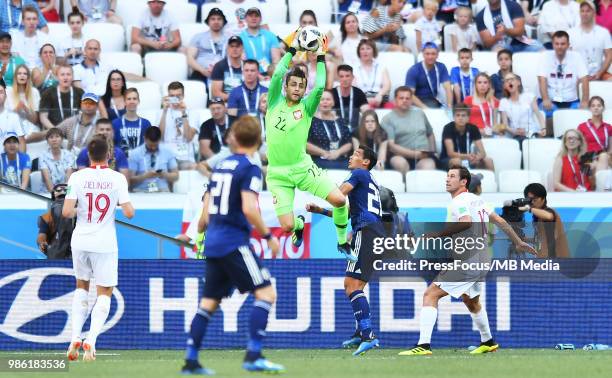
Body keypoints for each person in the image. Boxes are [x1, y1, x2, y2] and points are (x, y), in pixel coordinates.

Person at [181, 116, 284, 375]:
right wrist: (268, 236)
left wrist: (200, 233)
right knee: (266, 293)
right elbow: (249, 208)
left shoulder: (222, 165)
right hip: (233, 242)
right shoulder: (250, 168)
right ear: (258, 141)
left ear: (234, 138)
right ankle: (254, 355)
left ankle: (191, 361)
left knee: (208, 303)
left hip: (214, 241)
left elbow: (205, 214)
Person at [398, 166, 535, 356]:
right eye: (447, 176)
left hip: (468, 259)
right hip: (482, 258)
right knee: (471, 300)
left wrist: (438, 235)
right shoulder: (478, 200)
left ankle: (423, 345)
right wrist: (518, 242)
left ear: (464, 182)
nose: (447, 179)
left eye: (452, 176)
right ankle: (488, 341)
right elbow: (500, 221)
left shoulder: (459, 201)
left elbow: (466, 221)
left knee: (430, 294)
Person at [266, 29, 353, 261]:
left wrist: (322, 56)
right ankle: (298, 224)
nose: (296, 88)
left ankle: (343, 241)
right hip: (277, 175)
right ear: (286, 87)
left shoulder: (306, 108)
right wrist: (292, 50)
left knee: (339, 200)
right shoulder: (274, 102)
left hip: (303, 168)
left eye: (300, 85)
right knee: (285, 226)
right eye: (292, 84)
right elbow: (276, 76)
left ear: (304, 89)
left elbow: (321, 85)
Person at [305, 145, 383, 356]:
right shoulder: (369, 179)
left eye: (357, 154)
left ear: (366, 162)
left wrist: (315, 183)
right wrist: (320, 210)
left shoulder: (358, 173)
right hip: (376, 232)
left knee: (350, 285)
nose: (351, 156)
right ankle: (362, 333)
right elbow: (345, 213)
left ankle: (368, 335)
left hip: (365, 232)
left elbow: (339, 194)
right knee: (357, 285)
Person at [63, 135, 134, 362]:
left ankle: (75, 336)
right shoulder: (117, 179)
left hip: (81, 240)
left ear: (88, 155)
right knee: (105, 292)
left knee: (81, 287)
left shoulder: (77, 177)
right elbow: (130, 212)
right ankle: (91, 341)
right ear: (110, 155)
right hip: (104, 242)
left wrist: (81, 209)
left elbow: (65, 212)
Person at [538, 31, 589, 134]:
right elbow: (541, 79)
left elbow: (585, 79)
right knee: (547, 114)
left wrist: (584, 101)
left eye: (562, 44)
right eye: (556, 44)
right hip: (551, 99)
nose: (559, 47)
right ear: (552, 44)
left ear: (568, 45)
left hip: (571, 100)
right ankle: (550, 138)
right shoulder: (545, 56)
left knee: (580, 119)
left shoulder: (576, 57)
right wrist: (546, 98)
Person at [382, 86, 437, 174]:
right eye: (401, 98)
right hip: (399, 156)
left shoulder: (420, 113)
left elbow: (430, 133)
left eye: (407, 98)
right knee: (400, 164)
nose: (404, 100)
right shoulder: (388, 119)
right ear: (395, 100)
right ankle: (405, 187)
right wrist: (415, 154)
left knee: (429, 166)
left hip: (423, 156)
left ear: (411, 100)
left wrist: (433, 152)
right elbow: (391, 146)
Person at [29, 92, 100, 153]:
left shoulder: (101, 124)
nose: (88, 105)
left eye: (92, 103)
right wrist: (24, 140)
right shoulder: (72, 121)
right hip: (71, 161)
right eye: (85, 103)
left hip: (92, 160)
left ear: (97, 106)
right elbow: (50, 132)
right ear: (81, 105)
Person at [440, 103, 494, 170]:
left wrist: (476, 157)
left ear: (468, 117)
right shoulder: (448, 128)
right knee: (457, 161)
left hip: (468, 159)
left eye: (463, 116)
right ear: (453, 117)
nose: (460, 118)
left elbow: (483, 152)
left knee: (488, 161)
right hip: (449, 160)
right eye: (458, 115)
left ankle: (491, 180)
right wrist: (467, 156)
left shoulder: (473, 128)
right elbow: (450, 153)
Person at [520, 182, 568, 258]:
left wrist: (529, 209)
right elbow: (541, 239)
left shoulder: (549, 211)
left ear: (543, 198)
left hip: (554, 259)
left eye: (534, 199)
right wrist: (523, 240)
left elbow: (549, 216)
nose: (531, 202)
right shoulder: (537, 216)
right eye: (529, 200)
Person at [307, 90, 353, 169]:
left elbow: (349, 143)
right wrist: (324, 153)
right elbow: (305, 144)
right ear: (318, 102)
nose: (325, 102)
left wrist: (338, 153)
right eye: (322, 99)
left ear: (333, 102)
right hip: (319, 159)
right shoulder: (311, 121)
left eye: (328, 99)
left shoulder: (341, 121)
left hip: (340, 158)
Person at [475, 0, 544, 52]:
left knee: (541, 49)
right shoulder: (481, 16)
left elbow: (520, 31)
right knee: (499, 52)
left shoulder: (513, 6)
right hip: (500, 45)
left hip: (522, 42)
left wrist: (506, 30)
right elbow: (487, 43)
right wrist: (497, 36)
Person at [568, 0, 612, 81]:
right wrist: (579, 75)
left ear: (594, 13)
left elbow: (609, 55)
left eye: (588, 11)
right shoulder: (571, 33)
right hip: (577, 76)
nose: (585, 13)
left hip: (599, 75)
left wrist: (600, 73)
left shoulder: (604, 33)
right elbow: (567, 57)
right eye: (582, 11)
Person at [499, 73, 546, 145]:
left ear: (518, 82)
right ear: (505, 86)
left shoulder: (529, 96)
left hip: (532, 133)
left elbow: (538, 115)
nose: (509, 82)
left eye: (512, 79)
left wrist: (543, 128)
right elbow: (505, 125)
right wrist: (514, 131)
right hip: (517, 136)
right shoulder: (503, 102)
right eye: (507, 81)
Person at [159, 81, 198, 170]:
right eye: (172, 96)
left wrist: (183, 113)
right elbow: (160, 137)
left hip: (186, 159)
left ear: (183, 96)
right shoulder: (161, 113)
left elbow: (188, 138)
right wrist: (164, 111)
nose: (175, 99)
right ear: (168, 96)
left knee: (196, 168)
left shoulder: (193, 113)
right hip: (167, 159)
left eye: (178, 96)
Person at [186, 7, 230, 85]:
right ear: (208, 22)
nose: (216, 21)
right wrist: (203, 70)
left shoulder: (230, 39)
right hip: (201, 72)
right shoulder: (198, 37)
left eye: (219, 19)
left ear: (223, 22)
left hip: (224, 74)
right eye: (213, 19)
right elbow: (190, 59)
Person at [128, 126, 178, 193]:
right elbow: (129, 180)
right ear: (144, 139)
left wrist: (165, 175)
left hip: (162, 191)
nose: (153, 148)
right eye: (150, 145)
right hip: (141, 191)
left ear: (159, 140)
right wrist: (144, 176)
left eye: (155, 145)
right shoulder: (135, 153)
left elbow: (176, 176)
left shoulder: (167, 152)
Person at [405, 42, 452, 109]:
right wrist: (425, 108)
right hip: (417, 102)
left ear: (437, 55)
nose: (430, 57)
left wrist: (449, 105)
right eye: (427, 54)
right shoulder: (414, 70)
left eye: (433, 54)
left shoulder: (441, 67)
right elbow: (409, 94)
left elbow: (448, 87)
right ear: (423, 55)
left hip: (434, 100)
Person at [39, 64, 84, 129]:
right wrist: (55, 130)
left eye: (68, 74)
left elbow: (86, 114)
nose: (65, 77)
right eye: (62, 75)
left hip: (75, 131)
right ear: (57, 77)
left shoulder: (80, 92)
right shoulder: (48, 93)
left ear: (73, 77)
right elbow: (43, 117)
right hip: (54, 132)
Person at [239, 7, 280, 76]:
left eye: (256, 16)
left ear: (261, 19)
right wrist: (257, 76)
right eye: (250, 16)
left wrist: (272, 75)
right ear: (245, 19)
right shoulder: (240, 37)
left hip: (268, 74)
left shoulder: (271, 36)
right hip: (248, 74)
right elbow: (242, 61)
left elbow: (276, 60)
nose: (253, 18)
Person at [36, 183, 74, 259]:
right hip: (57, 252)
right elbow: (41, 235)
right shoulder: (46, 217)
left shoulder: (79, 213)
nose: (62, 202)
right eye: (59, 199)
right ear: (54, 197)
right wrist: (42, 242)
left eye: (65, 198)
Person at [9, 5, 51, 69]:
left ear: (38, 21)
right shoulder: (15, 38)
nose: (31, 22)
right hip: (21, 73)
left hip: (41, 73)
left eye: (34, 19)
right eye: (28, 19)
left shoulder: (45, 38)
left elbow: (49, 62)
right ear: (23, 22)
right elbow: (15, 60)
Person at [353, 39, 391, 109]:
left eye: (368, 48)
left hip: (379, 99)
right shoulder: (354, 68)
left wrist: (379, 95)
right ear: (359, 52)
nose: (365, 51)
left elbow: (387, 85)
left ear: (373, 51)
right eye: (362, 49)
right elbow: (353, 88)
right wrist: (366, 100)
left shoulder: (381, 67)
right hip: (361, 100)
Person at [111, 88, 152, 154]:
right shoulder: (115, 123)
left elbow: (150, 146)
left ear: (138, 101)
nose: (132, 101)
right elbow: (111, 146)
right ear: (124, 102)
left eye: (134, 99)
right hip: (122, 162)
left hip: (140, 162)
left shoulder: (146, 124)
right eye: (129, 99)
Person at [577, 96, 611, 173]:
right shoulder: (582, 127)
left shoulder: (608, 127)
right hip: (587, 159)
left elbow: (610, 149)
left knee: (603, 157)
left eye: (599, 105)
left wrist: (602, 158)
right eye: (593, 106)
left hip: (605, 157)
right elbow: (579, 149)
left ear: (603, 108)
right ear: (590, 108)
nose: (596, 108)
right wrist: (593, 160)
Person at [198, 97, 236, 162]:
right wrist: (218, 162)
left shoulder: (236, 122)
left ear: (225, 108)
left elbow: (244, 143)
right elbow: (204, 149)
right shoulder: (206, 125)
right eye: (213, 109)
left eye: (218, 108)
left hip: (234, 158)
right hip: (213, 160)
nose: (216, 111)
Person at [333, 64, 369, 131]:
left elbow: (367, 112)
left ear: (352, 77)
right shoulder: (332, 93)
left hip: (355, 130)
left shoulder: (359, 93)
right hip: (336, 130)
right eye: (341, 76)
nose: (344, 79)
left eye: (347, 76)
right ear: (338, 78)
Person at [39, 127, 74, 193]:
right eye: (51, 137)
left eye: (57, 136)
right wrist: (55, 194)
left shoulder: (69, 155)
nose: (54, 140)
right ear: (47, 141)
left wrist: (64, 194)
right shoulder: (43, 156)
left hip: (65, 193)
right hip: (47, 194)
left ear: (62, 139)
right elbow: (48, 181)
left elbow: (69, 180)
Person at [463, 73, 499, 137]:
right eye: (479, 82)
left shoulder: (494, 101)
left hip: (489, 135)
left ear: (489, 85)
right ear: (475, 85)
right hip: (473, 134)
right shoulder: (468, 100)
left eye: (485, 82)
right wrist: (479, 131)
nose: (482, 85)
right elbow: (465, 122)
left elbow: (495, 124)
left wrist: (492, 130)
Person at [7, 64, 39, 134]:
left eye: (25, 74)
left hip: (30, 129)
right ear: (15, 77)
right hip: (12, 128)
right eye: (19, 73)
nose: (22, 75)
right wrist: (17, 109)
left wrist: (26, 109)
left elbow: (35, 120)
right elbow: (5, 118)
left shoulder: (34, 92)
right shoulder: (8, 91)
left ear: (28, 77)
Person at [210, 36, 244, 102]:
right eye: (232, 46)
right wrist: (234, 99)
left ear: (242, 48)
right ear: (227, 48)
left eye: (237, 46)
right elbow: (216, 92)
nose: (234, 49)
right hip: (226, 103)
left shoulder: (247, 66)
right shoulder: (219, 66)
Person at [0, 83, 25, 153]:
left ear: (5, 96)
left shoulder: (14, 117)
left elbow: (21, 142)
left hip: (10, 161)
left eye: (1, 92)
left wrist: (21, 161)